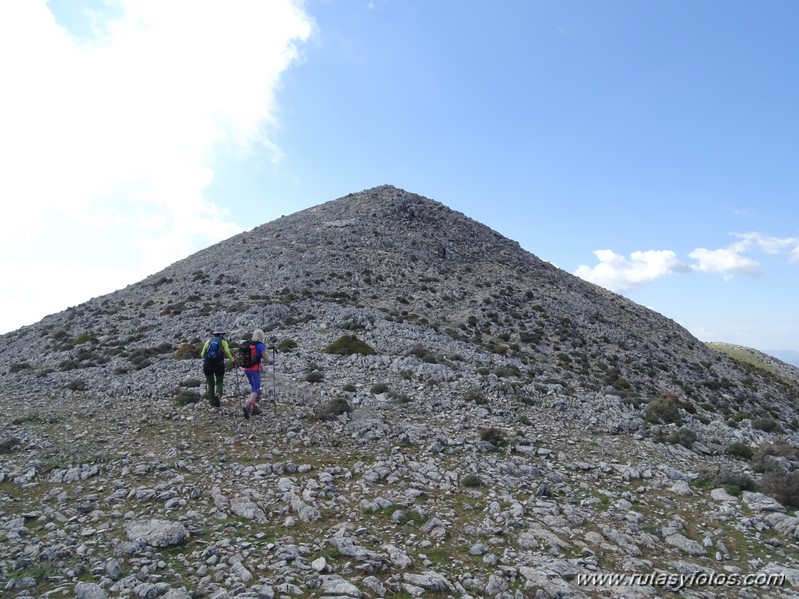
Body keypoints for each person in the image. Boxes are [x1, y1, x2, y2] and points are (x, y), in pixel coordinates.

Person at [242, 329, 275, 419]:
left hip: (246, 368)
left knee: (253, 387)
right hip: (255, 369)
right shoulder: (260, 346)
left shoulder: (248, 344)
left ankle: (253, 407)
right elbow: (266, 360)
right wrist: (272, 361)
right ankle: (248, 406)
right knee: (256, 388)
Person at [200, 327, 235, 407]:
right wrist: (232, 360)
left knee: (210, 383)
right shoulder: (223, 342)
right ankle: (218, 395)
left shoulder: (208, 341)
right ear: (222, 334)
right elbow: (226, 351)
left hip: (207, 364)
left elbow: (202, 354)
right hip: (219, 364)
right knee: (219, 381)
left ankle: (212, 404)